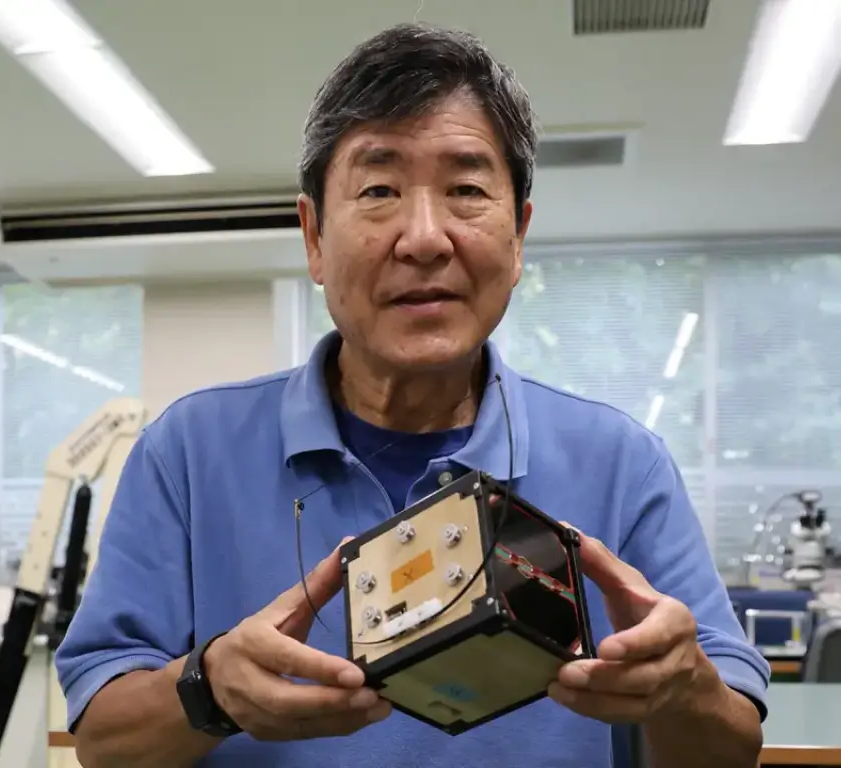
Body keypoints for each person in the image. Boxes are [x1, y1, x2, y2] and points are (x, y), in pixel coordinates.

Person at [55, 22, 769, 768]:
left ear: (519, 236)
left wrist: (683, 688)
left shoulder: (622, 463)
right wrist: (209, 690)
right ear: (314, 239)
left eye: (465, 189)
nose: (424, 237)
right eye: (378, 189)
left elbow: (731, 747)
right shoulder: (189, 452)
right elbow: (103, 742)